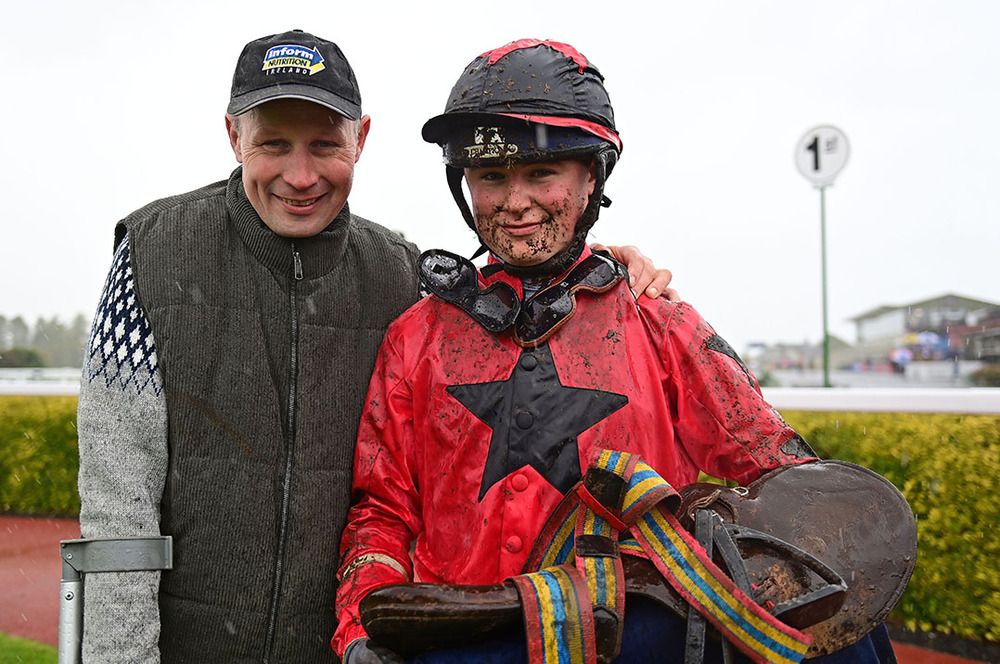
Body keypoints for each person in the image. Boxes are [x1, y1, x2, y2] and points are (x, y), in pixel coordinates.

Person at [76, 30, 672, 663]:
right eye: (274, 143)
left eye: (326, 145)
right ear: (233, 136)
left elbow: (525, 280)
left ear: (361, 139)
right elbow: (118, 511)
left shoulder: (405, 275)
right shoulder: (150, 252)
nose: (300, 176)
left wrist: (597, 269)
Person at [333, 39, 894, 663]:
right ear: (464, 183)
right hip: (466, 646)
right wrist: (363, 633)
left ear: (592, 177)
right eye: (492, 176)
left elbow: (785, 481)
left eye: (541, 173)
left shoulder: (664, 323)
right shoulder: (414, 338)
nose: (515, 201)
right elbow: (382, 512)